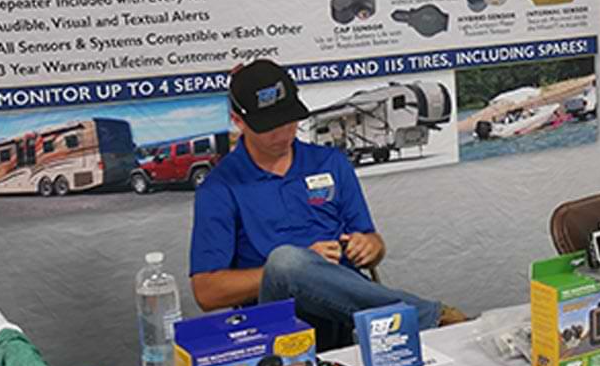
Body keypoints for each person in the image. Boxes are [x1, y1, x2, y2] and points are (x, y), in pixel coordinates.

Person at [189, 59, 461, 341]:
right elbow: (207, 292)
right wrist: (299, 269)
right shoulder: (219, 188)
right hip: (279, 322)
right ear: (238, 121)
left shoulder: (330, 162)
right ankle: (429, 318)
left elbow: (373, 244)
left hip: (347, 316)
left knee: (295, 264)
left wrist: (369, 246)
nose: (283, 134)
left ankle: (417, 319)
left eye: (289, 121)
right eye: (269, 126)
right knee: (286, 261)